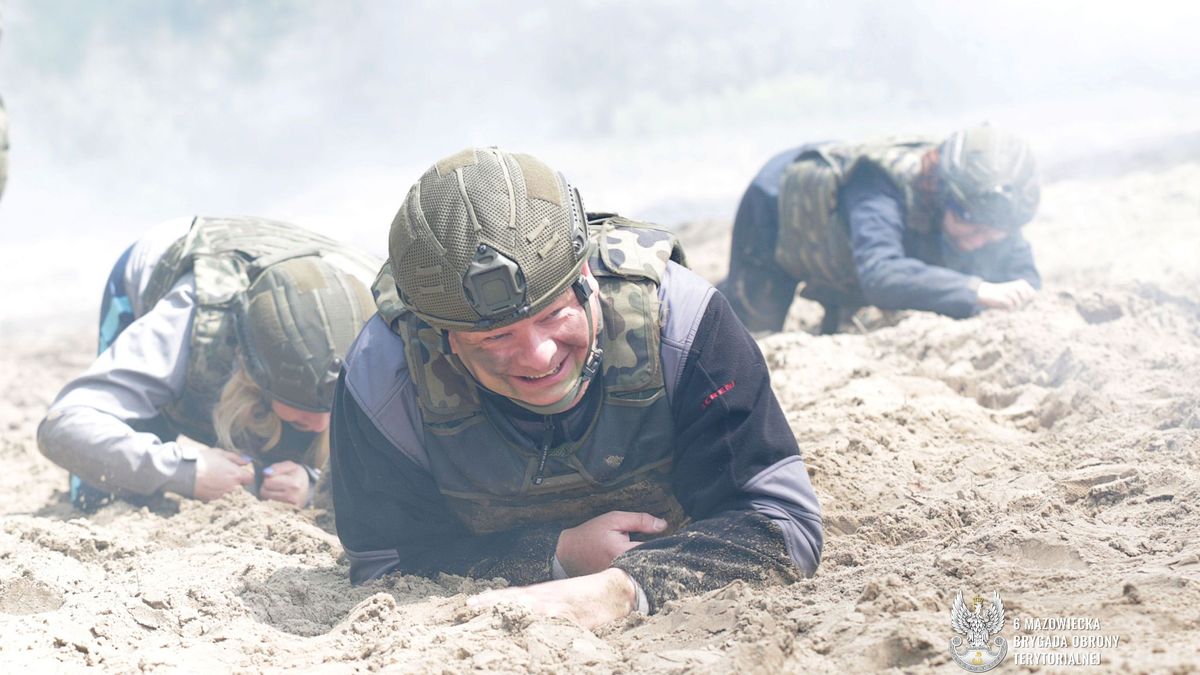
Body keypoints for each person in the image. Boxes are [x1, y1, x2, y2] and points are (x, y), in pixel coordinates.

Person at [331, 147, 823, 628]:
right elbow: (387, 563)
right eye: (497, 338)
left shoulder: (681, 322)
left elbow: (783, 523)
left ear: (586, 277)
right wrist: (555, 555)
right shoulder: (384, 377)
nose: (539, 356)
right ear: (443, 337)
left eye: (553, 315)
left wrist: (620, 589)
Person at [38, 216, 378, 511]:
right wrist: (187, 471)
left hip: (311, 266)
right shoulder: (189, 318)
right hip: (172, 265)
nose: (322, 423)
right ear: (253, 374)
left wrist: (315, 485)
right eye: (303, 405)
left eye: (333, 406)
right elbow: (64, 426)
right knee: (101, 493)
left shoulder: (386, 328)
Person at [718, 124, 1042, 334]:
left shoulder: (989, 208)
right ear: (940, 191)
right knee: (751, 324)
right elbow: (880, 274)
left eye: (992, 233)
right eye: (970, 227)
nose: (977, 241)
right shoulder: (878, 183)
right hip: (778, 209)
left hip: (850, 247)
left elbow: (1023, 279)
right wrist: (975, 290)